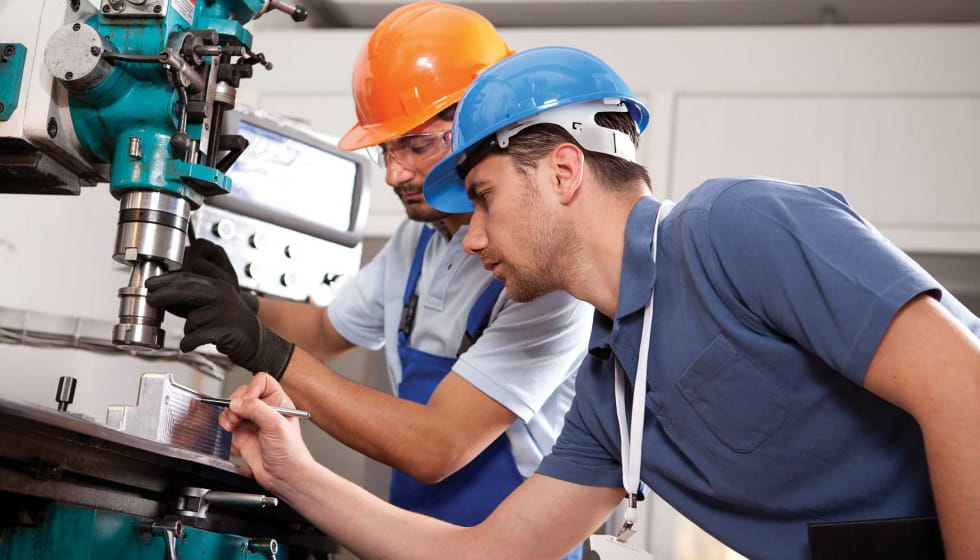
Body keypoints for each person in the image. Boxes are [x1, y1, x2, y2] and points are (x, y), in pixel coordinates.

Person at [215, 46, 980, 560]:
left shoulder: (738, 227)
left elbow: (964, 388)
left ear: (562, 171)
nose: (471, 239)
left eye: (482, 198)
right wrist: (295, 475)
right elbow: (487, 554)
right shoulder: (615, 382)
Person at [145, 3, 593, 550]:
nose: (395, 172)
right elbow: (325, 333)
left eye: (417, 144)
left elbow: (437, 447)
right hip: (415, 538)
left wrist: (264, 350)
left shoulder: (546, 277)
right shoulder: (420, 240)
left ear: (488, 127)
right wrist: (238, 301)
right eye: (386, 149)